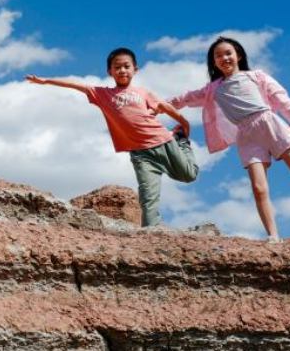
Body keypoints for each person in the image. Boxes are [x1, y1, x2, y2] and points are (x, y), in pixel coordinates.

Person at [167, 36, 290, 242]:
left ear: (238, 56)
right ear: (214, 62)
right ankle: (273, 236)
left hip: (268, 124)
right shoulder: (213, 89)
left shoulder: (256, 76)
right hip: (246, 136)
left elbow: (282, 99)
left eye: (228, 53)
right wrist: (156, 105)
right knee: (258, 187)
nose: (224, 58)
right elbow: (185, 98)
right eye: (218, 56)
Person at [26, 47, 198, 227]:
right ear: (110, 71)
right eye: (117, 67)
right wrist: (46, 81)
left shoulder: (142, 92)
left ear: (135, 69)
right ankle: (151, 232)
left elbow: (163, 106)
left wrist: (184, 122)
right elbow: (76, 84)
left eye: (126, 66)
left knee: (188, 175)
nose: (122, 70)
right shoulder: (103, 94)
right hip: (141, 154)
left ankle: (183, 143)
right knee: (148, 195)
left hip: (164, 141)